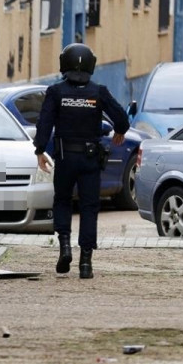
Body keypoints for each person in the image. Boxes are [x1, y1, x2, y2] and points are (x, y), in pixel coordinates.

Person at [34, 43, 128, 279]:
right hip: (90, 159)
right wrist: (120, 130)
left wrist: (39, 151)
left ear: (64, 63)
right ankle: (86, 262)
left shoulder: (56, 92)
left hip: (65, 157)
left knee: (63, 201)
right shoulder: (98, 92)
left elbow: (44, 124)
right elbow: (121, 118)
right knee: (89, 208)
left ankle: (65, 247)